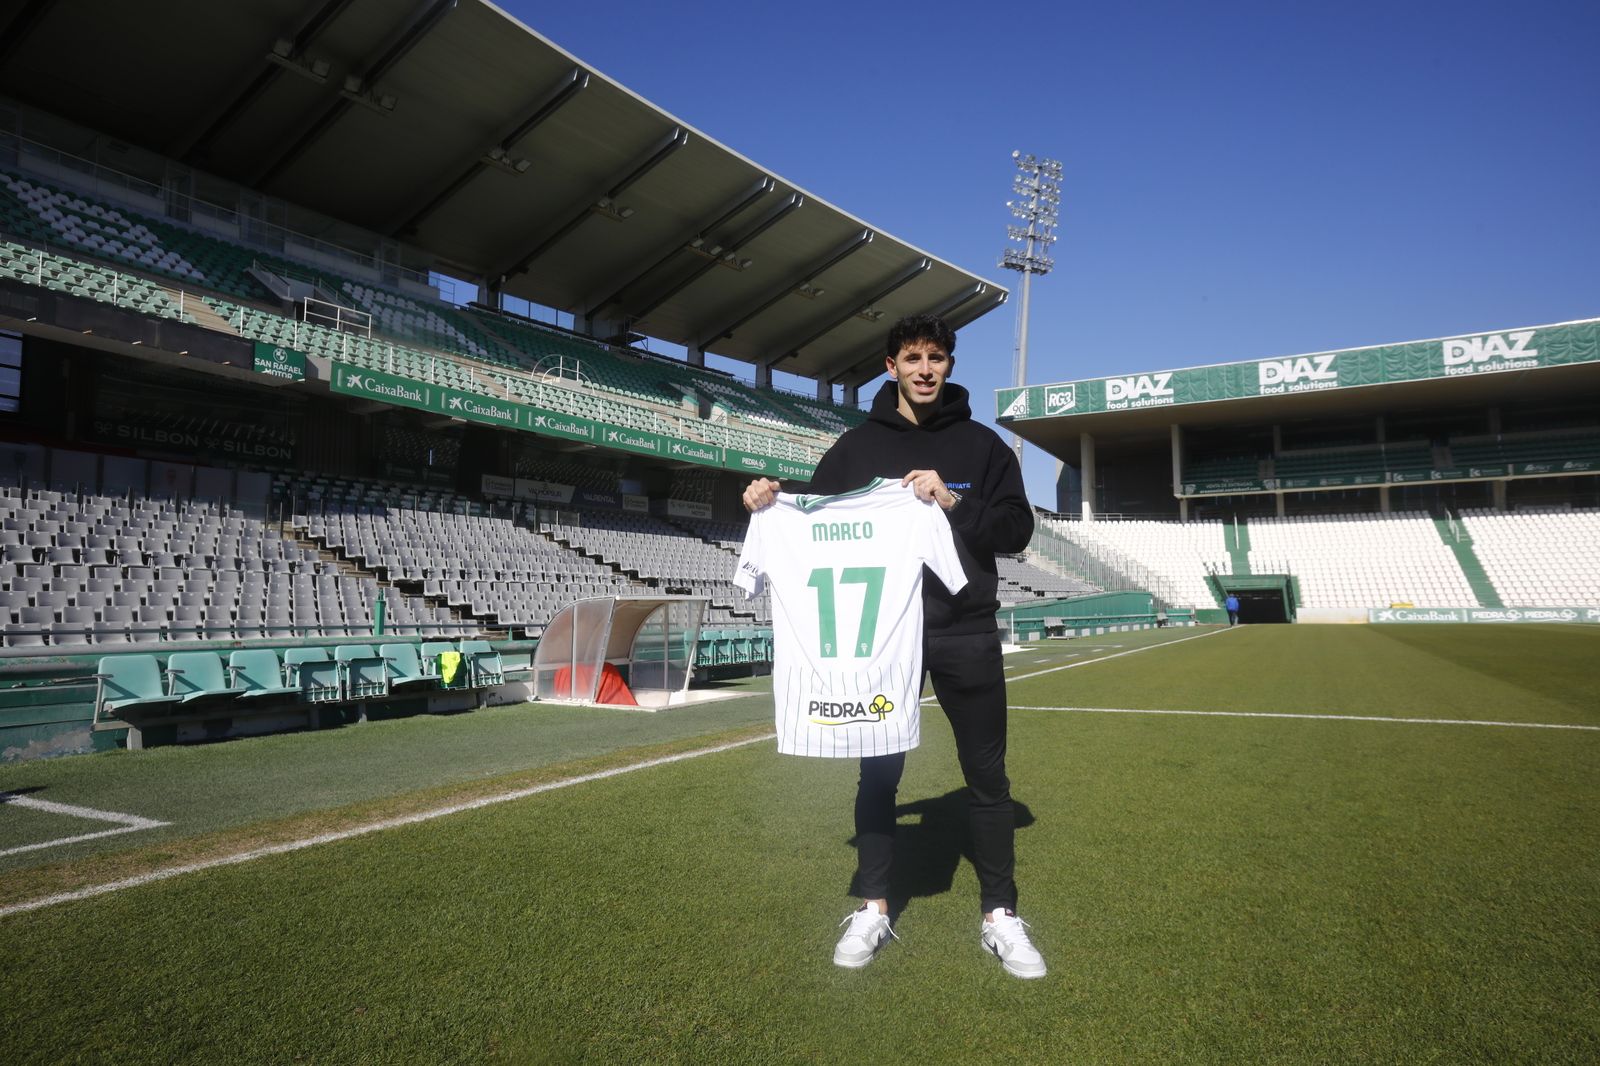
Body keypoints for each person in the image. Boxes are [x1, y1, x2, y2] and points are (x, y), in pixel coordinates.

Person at [742, 312, 1046, 979]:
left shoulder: (983, 447)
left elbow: (1018, 528)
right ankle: (874, 906)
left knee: (987, 776)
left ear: (950, 365)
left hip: (964, 631)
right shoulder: (854, 448)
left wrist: (953, 505)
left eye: (936, 357)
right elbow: (812, 519)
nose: (925, 369)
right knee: (878, 773)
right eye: (912, 358)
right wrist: (769, 500)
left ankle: (1001, 914)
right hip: (878, 641)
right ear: (891, 368)